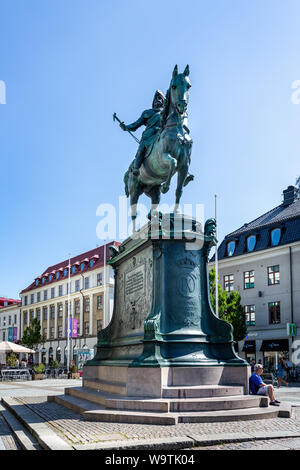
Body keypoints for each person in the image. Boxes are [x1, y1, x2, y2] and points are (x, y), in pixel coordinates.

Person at [120, 90, 165, 175]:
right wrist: (125, 127)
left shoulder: (166, 113)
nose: (157, 100)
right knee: (141, 149)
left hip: (161, 134)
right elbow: (135, 125)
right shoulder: (147, 113)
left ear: (163, 101)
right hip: (148, 136)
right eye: (156, 98)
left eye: (160, 98)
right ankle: (136, 168)